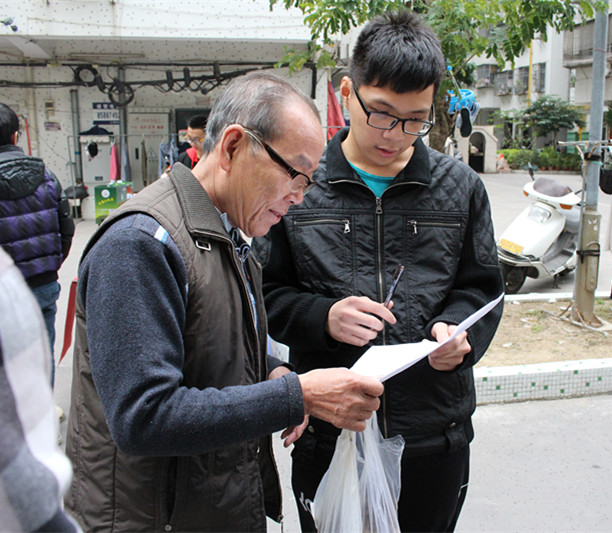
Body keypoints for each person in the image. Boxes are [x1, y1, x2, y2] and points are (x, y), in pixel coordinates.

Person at [63, 71, 384, 532]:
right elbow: (144, 416)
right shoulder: (140, 244)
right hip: (154, 518)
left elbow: (208, 345)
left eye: (309, 181)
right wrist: (298, 395)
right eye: (294, 174)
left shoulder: (226, 231)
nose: (299, 197)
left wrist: (272, 371)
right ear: (233, 147)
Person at [252, 10, 504, 532]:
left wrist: (457, 335)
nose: (397, 135)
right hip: (332, 429)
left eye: (416, 120)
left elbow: (481, 290)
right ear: (348, 92)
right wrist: (323, 316)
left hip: (433, 434)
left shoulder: (459, 188)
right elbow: (264, 295)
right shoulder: (300, 185)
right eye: (383, 114)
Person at [0, 247, 80, 532]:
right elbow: (64, 229)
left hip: (24, 276)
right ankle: (44, 423)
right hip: (40, 276)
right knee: (40, 358)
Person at [0, 102, 75, 388]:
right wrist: (49, 266)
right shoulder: (47, 176)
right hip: (42, 284)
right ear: (15, 136)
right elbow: (66, 230)